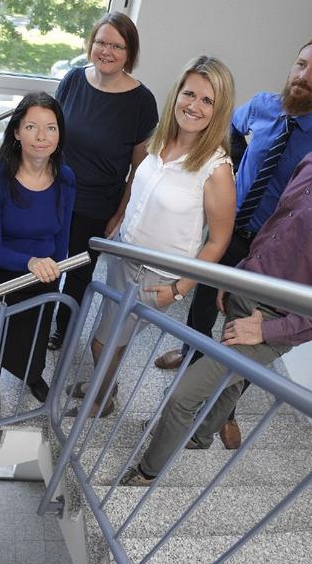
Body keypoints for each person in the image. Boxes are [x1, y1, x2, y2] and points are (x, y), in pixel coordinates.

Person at [121, 51, 312, 486]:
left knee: (184, 394)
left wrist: (269, 330)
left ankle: (146, 475)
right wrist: (237, 272)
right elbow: (277, 226)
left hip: (277, 317)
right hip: (246, 283)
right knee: (230, 380)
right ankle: (199, 437)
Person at [153, 37, 312, 450]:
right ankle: (190, 359)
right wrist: (234, 169)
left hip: (270, 252)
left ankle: (227, 408)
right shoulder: (262, 105)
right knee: (202, 307)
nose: (303, 75)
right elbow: (232, 132)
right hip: (226, 232)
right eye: (301, 64)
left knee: (244, 330)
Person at [73, 56, 237, 414]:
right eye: (189, 93)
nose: (193, 105)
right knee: (111, 338)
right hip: (124, 253)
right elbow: (138, 182)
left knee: (104, 342)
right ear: (177, 93)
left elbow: (218, 240)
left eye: (207, 100)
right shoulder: (160, 137)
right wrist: (119, 219)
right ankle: (103, 385)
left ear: (219, 109)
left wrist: (180, 289)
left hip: (154, 276)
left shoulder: (216, 169)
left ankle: (102, 399)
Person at [49, 13, 159, 351]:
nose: (106, 51)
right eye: (100, 42)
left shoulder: (141, 102)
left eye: (117, 46)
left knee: (78, 273)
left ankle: (64, 330)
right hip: (52, 194)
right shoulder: (73, 79)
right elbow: (49, 134)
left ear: (130, 52)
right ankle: (35, 322)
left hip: (96, 205)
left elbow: (139, 169)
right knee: (45, 264)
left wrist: (120, 214)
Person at [0, 92, 75, 420]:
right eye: (32, 127)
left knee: (35, 337)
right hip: (0, 276)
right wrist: (30, 263)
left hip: (43, 276)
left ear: (60, 134)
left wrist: (56, 274)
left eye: (51, 128)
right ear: (17, 131)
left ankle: (32, 375)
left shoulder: (65, 177)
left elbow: (62, 237)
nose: (42, 136)